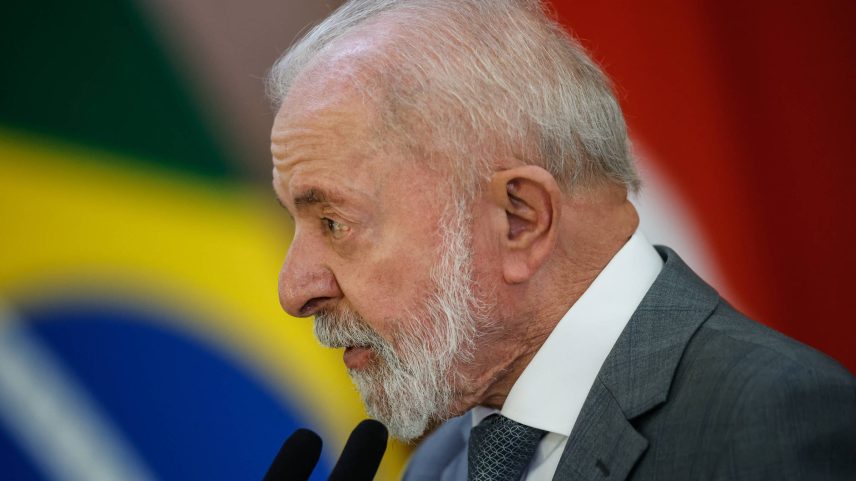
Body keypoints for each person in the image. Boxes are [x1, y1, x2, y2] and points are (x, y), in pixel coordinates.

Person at [267, 0, 856, 479]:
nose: (293, 291)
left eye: (334, 223)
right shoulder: (439, 464)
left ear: (519, 220)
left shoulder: (773, 418)